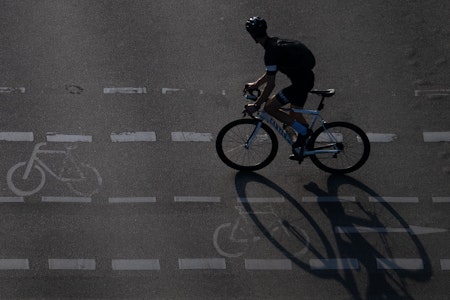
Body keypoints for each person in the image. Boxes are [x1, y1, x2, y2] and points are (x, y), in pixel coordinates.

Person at [243, 16, 315, 158]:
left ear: (253, 36)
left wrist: (257, 105)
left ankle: (305, 133)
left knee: (269, 107)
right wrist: (255, 84)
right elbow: (270, 73)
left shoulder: (271, 52)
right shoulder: (273, 43)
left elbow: (271, 84)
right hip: (305, 80)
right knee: (294, 116)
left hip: (300, 85)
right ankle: (304, 144)